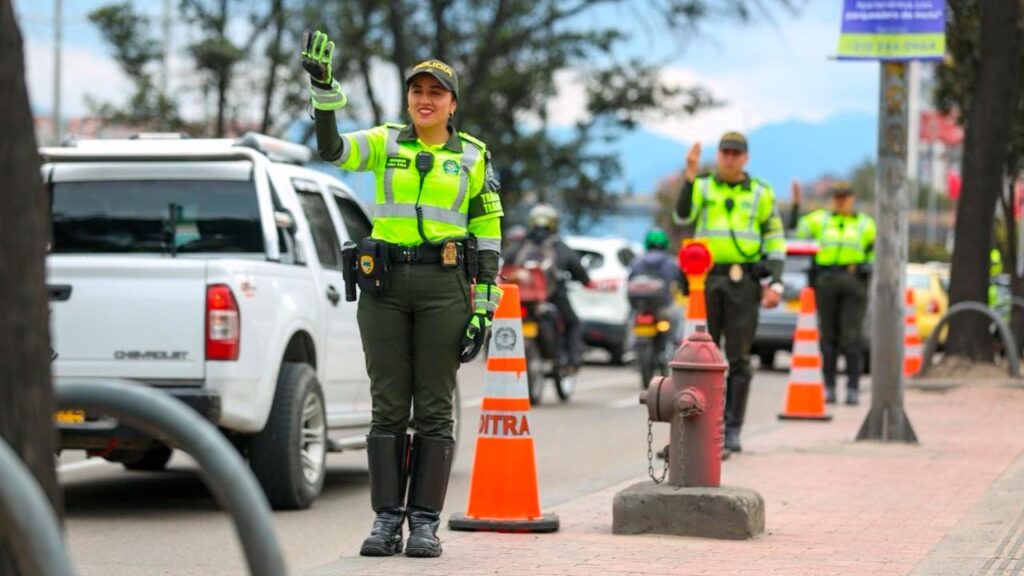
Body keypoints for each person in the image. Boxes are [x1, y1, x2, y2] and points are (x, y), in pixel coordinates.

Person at [302, 31, 504, 558]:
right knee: (387, 405)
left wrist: (483, 305)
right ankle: (386, 520)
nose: (425, 99)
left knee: (434, 406)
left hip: (445, 287)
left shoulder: (474, 158)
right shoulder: (386, 141)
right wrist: (325, 92)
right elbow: (332, 149)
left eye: (436, 92)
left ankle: (424, 524)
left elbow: (488, 235)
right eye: (417, 90)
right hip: (385, 287)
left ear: (452, 104)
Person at [673, 131, 786, 458]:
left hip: (744, 282)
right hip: (706, 280)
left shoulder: (761, 192)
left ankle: (731, 429)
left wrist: (775, 283)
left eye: (736, 153)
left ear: (745, 157)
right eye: (725, 152)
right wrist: (690, 176)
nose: (730, 158)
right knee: (700, 353)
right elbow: (681, 216)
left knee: (738, 357)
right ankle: (701, 426)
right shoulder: (704, 185)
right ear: (719, 155)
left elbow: (776, 238)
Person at [793, 182, 876, 406]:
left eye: (845, 196)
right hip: (826, 279)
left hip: (853, 280)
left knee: (851, 337)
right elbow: (796, 229)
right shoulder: (821, 219)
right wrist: (796, 205)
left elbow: (877, 248)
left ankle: (852, 388)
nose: (841, 200)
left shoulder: (865, 224)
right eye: (837, 196)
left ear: (852, 198)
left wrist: (867, 267)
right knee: (828, 337)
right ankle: (829, 387)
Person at [508, 204, 591, 372]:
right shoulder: (558, 246)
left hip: (521, 297)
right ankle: (571, 362)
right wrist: (585, 281)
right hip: (553, 296)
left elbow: (505, 265)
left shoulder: (521, 245)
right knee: (573, 323)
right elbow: (578, 270)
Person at [629, 227, 685, 345]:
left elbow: (629, 279)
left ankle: (631, 342)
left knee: (630, 317)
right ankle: (676, 343)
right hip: (663, 306)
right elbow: (681, 280)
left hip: (639, 306)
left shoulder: (637, 261)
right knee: (678, 317)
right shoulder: (671, 262)